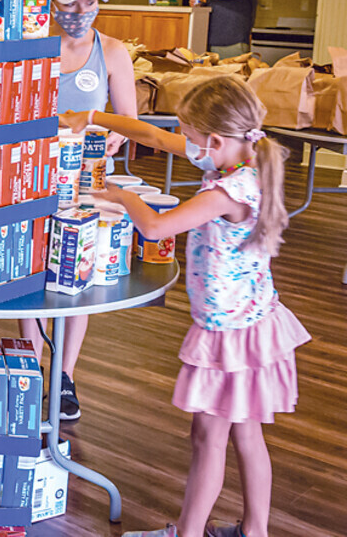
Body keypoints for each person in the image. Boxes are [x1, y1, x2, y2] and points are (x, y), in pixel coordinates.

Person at [62, 76, 310, 537]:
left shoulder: (225, 193)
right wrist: (90, 116)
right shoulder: (245, 158)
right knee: (246, 434)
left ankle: (188, 533)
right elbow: (154, 135)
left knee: (208, 439)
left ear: (215, 140)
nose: (188, 145)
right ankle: (254, 530)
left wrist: (122, 195)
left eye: (193, 137)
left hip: (228, 337)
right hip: (256, 323)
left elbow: (157, 228)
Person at [17, 0, 136, 421]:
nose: (82, 13)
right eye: (72, 4)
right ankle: (31, 366)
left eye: (91, 3)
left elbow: (127, 121)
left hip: (89, 178)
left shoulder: (113, 52)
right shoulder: (32, 45)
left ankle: (64, 376)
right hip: (34, 174)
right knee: (33, 270)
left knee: (77, 273)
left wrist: (109, 141)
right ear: (52, 4)